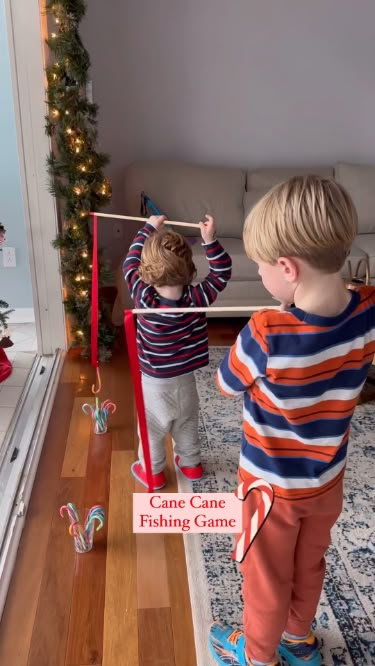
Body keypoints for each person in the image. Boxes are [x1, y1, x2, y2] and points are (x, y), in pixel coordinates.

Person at [209, 175, 375, 666]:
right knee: (308, 563)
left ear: (287, 267)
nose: (260, 275)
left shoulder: (266, 330)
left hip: (270, 488)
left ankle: (259, 656)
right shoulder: (367, 310)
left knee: (264, 576)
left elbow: (226, 383)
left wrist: (272, 325)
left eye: (261, 267)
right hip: (326, 481)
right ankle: (299, 639)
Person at [124, 214, 232, 489]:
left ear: (147, 271)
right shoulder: (196, 299)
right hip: (185, 382)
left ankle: (154, 473)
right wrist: (210, 241)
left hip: (153, 386)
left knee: (151, 432)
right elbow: (222, 272)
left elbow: (129, 264)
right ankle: (192, 465)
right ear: (188, 268)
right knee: (186, 425)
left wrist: (148, 228)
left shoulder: (143, 299)